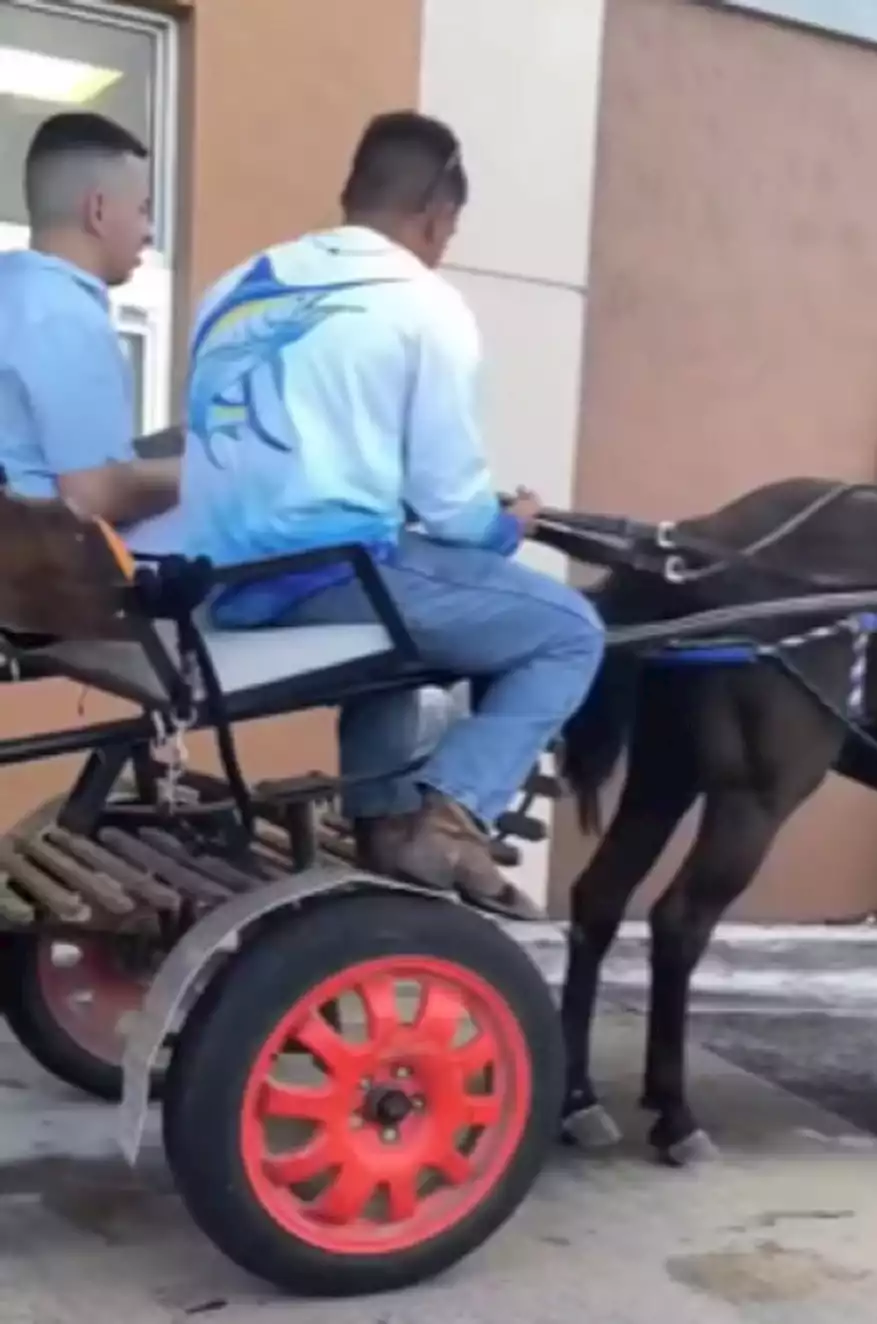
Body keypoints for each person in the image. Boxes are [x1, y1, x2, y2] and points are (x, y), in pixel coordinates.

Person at [177, 110, 606, 921]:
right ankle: (450, 820)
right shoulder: (424, 304)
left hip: (221, 584)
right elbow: (451, 507)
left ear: (352, 195)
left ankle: (379, 824)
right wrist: (509, 524)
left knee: (409, 623)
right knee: (568, 631)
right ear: (436, 217)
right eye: (450, 230)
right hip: (327, 578)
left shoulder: (235, 285)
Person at [0, 112, 180, 548]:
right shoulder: (66, 315)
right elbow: (93, 493)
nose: (148, 231)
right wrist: (217, 470)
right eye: (142, 210)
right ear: (98, 210)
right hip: (33, 595)